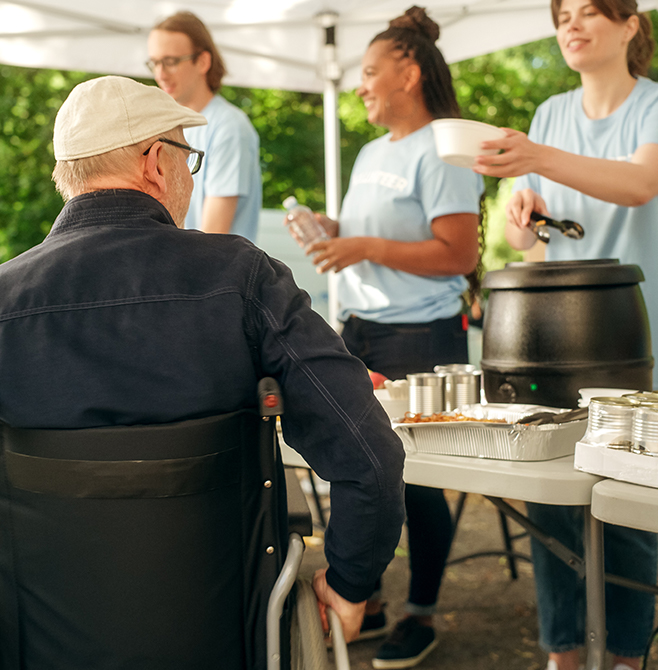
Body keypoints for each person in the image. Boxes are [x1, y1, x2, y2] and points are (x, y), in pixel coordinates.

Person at [0, 75, 406, 668]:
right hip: (226, 640)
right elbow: (371, 458)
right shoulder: (242, 278)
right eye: (189, 158)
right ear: (154, 162)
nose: (191, 176)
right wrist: (348, 588)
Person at [473, 0, 658, 668]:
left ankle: (623, 656)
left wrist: (536, 159)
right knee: (550, 501)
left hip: (638, 339)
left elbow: (642, 183)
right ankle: (562, 652)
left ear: (630, 24)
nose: (572, 26)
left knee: (625, 506)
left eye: (589, 12)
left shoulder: (657, 106)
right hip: (556, 340)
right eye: (562, 17)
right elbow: (520, 237)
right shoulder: (549, 115)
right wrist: (523, 212)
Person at [307, 7, 484, 669]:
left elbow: (458, 253)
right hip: (361, 333)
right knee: (356, 471)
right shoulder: (372, 152)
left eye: (370, 72)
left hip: (422, 337)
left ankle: (422, 613)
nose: (359, 86)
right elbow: (373, 240)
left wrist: (367, 245)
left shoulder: (444, 147)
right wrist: (332, 230)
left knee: (417, 480)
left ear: (408, 72)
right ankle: (368, 600)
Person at [147, 11, 262, 241]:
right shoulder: (164, 127)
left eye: (170, 62)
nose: (160, 74)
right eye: (154, 63)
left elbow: (212, 238)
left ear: (203, 62)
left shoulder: (229, 127)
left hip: (210, 273)